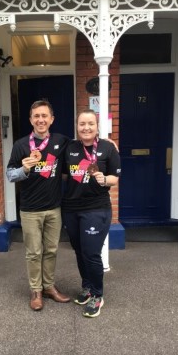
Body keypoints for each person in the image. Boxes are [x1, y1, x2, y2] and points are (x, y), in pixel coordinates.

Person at [6, 100, 70, 311]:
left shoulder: (61, 141)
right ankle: (36, 290)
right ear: (31, 119)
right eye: (36, 116)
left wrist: (106, 142)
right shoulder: (21, 145)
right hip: (30, 210)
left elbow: (85, 148)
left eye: (45, 116)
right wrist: (23, 170)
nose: (41, 120)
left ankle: (49, 287)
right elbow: (10, 175)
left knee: (51, 250)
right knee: (33, 252)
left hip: (54, 208)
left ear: (52, 119)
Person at [62, 109, 121, 318]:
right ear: (77, 127)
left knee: (91, 253)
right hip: (71, 209)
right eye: (82, 124)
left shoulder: (107, 148)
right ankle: (86, 287)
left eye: (90, 124)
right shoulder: (69, 148)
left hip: (96, 208)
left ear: (97, 127)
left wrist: (104, 179)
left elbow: (115, 177)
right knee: (79, 251)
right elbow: (59, 172)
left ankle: (97, 294)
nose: (86, 128)